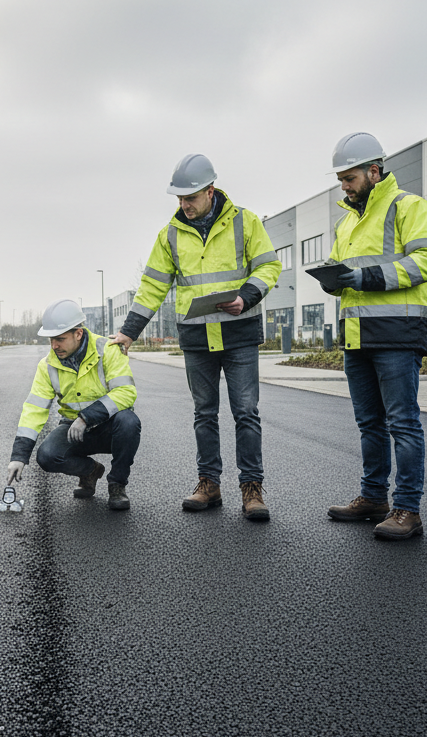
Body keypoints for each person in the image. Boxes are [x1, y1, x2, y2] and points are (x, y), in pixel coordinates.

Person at [112, 154, 280, 519]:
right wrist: (128, 333)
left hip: (239, 334)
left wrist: (246, 296)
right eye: (179, 200)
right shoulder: (169, 234)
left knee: (246, 412)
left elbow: (269, 265)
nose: (184, 206)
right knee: (204, 413)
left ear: (210, 190)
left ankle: (252, 489)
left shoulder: (245, 222)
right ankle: (209, 483)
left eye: (190, 198)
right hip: (197, 338)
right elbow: (152, 287)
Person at [322, 132, 427, 540]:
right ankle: (373, 497)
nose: (344, 186)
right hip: (356, 337)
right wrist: (334, 281)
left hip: (396, 334)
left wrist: (364, 277)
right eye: (340, 179)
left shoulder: (410, 207)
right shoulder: (347, 223)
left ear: (375, 171)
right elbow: (346, 276)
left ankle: (407, 509)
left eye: (350, 178)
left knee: (403, 424)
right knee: (369, 423)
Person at [7, 299, 140, 511]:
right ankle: (90, 471)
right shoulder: (48, 365)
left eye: (60, 339)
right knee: (47, 456)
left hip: (110, 428)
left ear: (78, 333)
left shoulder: (108, 350)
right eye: (51, 339)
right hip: (74, 429)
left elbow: (126, 392)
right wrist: (19, 457)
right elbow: (34, 409)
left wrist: (86, 417)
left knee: (129, 422)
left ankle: (117, 485)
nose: (54, 345)